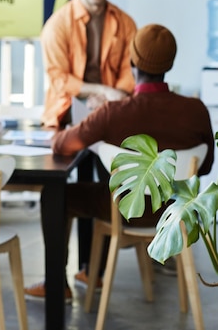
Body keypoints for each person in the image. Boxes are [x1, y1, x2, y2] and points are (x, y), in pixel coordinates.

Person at [25, 24, 215, 301]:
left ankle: (58, 285)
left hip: (126, 210)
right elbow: (206, 165)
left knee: (59, 198)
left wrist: (94, 115)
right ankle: (90, 273)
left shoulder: (114, 113)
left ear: (132, 62)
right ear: (170, 64)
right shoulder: (195, 110)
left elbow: (61, 144)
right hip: (176, 212)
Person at [41, 0, 137, 128]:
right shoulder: (57, 25)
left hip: (113, 105)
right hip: (67, 110)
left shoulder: (126, 23)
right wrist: (102, 91)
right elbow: (59, 79)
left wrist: (111, 98)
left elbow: (129, 70)